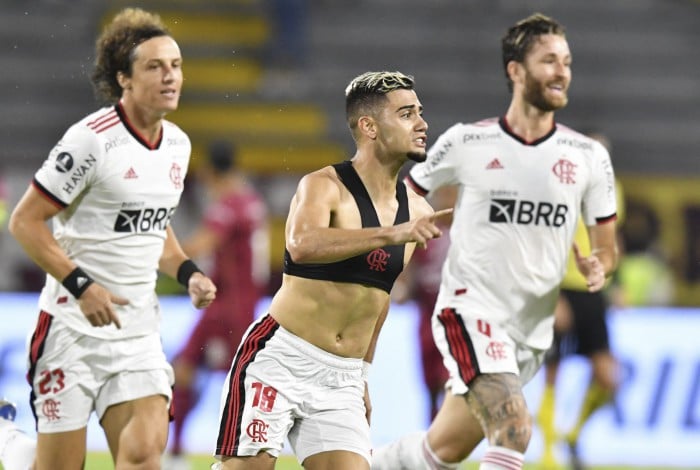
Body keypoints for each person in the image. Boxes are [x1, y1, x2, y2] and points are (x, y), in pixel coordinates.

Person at [371, 13, 619, 470]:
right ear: (516, 71)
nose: (562, 71)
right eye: (549, 60)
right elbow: (404, 199)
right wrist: (391, 252)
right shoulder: (467, 142)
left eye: (566, 61)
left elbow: (606, 245)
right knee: (514, 427)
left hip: (531, 330)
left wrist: (599, 265)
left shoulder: (588, 157)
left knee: (443, 448)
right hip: (471, 311)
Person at [6, 8, 216, 470]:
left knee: (143, 456)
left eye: (176, 65)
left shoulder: (178, 145)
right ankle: (7, 439)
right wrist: (82, 286)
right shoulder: (91, 141)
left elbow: (152, 225)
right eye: (154, 67)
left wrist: (189, 272)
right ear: (124, 78)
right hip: (72, 331)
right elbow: (24, 221)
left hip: (138, 334)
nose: (170, 76)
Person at [211, 70, 452, 470]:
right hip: (281, 359)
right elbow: (302, 245)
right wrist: (390, 234)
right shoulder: (324, 186)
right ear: (369, 127)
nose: (422, 124)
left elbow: (378, 300)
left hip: (342, 380)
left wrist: (362, 374)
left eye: (420, 112)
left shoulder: (417, 211)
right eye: (406, 114)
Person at [168, 140, 269, 468]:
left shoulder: (229, 205)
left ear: (211, 173)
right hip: (242, 304)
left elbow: (203, 242)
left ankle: (195, 452)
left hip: (227, 306)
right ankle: (187, 451)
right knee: (196, 370)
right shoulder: (251, 202)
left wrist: (163, 253)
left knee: (203, 373)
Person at [537, 132, 625, 470]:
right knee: (553, 372)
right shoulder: (557, 188)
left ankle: (572, 435)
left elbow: (612, 239)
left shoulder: (613, 190)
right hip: (561, 288)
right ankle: (548, 455)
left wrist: (618, 281)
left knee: (608, 377)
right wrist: (550, 291)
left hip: (594, 291)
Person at [392, 186, 457, 422]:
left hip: (457, 318)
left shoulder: (468, 233)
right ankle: (432, 425)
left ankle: (448, 427)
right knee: (430, 380)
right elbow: (409, 269)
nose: (447, 202)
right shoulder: (426, 231)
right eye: (443, 196)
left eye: (451, 195)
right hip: (427, 314)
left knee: (451, 376)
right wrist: (401, 289)